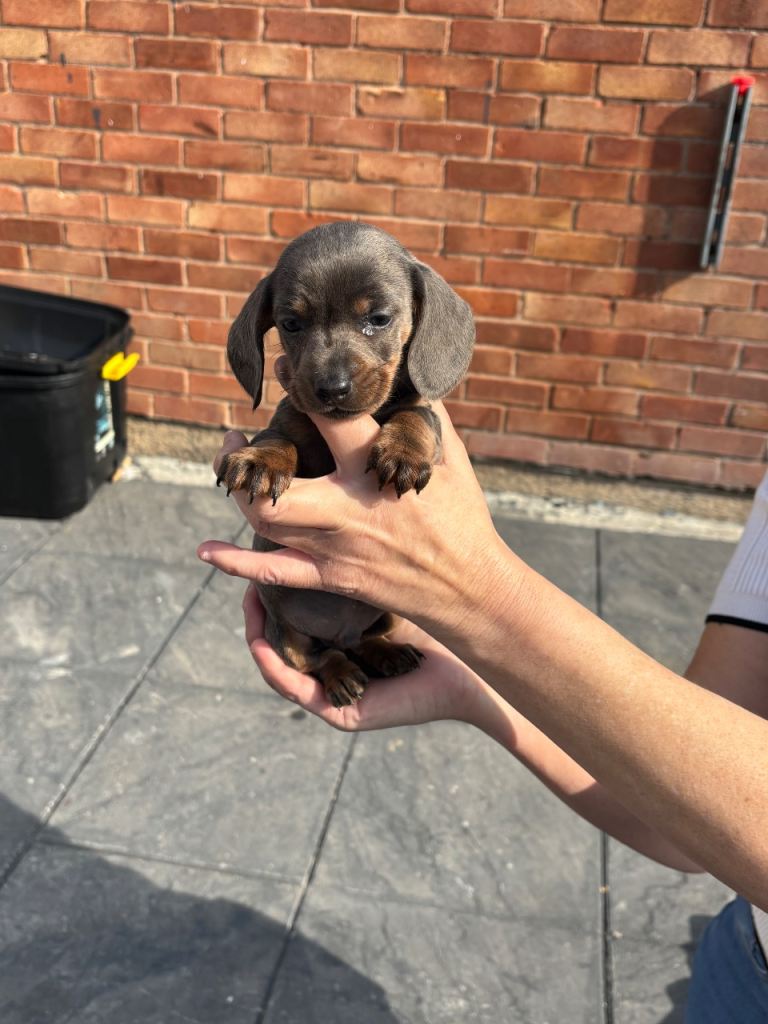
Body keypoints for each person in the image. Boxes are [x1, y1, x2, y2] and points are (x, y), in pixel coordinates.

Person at [198, 401, 768, 1021]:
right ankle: (337, 657)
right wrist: (470, 684)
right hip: (739, 961)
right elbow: (688, 805)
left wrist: (476, 596)